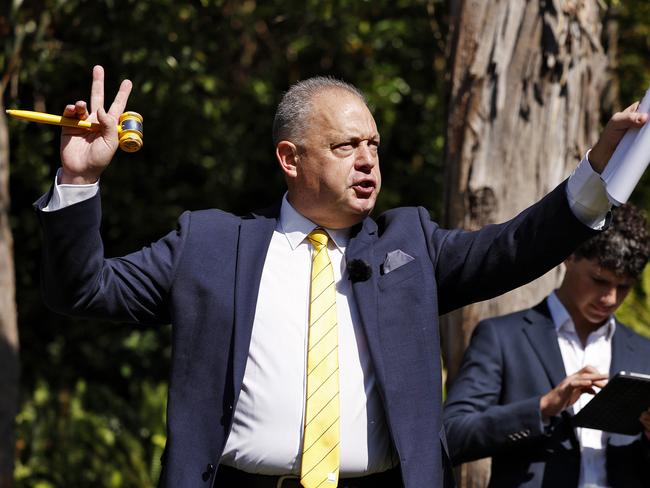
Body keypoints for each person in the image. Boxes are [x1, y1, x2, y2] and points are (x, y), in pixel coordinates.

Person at [34, 65, 646, 488]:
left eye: (374, 146)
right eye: (347, 145)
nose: (368, 161)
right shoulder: (211, 244)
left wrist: (599, 168)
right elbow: (83, 291)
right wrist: (79, 182)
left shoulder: (411, 248)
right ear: (290, 158)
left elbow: (517, 247)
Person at [443, 203, 650, 488]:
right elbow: (451, 437)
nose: (610, 299)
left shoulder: (644, 351)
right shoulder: (502, 337)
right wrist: (542, 408)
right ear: (569, 256)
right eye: (599, 281)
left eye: (623, 287)